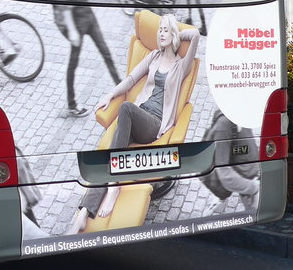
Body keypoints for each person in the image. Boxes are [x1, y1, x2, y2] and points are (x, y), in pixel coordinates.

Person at [69, 13, 199, 234]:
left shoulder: (181, 65)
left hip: (154, 124)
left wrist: (176, 31)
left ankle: (114, 187)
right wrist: (110, 95)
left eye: (165, 30)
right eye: (159, 30)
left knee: (126, 108)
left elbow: (195, 34)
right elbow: (131, 79)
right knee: (108, 156)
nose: (161, 33)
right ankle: (83, 213)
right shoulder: (154, 57)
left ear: (174, 35)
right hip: (138, 116)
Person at [52, 0, 120, 117]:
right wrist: (72, 30)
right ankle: (72, 105)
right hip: (77, 20)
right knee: (73, 63)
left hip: (88, 14)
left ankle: (121, 88)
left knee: (106, 52)